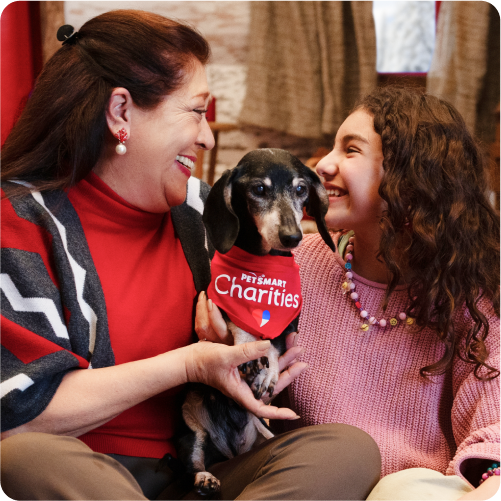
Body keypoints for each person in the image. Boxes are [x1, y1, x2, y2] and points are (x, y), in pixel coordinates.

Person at [0, 10, 381, 501]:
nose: (207, 137)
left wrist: (247, 358)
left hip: (203, 471)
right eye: (197, 111)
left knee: (345, 450)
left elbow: (290, 265)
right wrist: (190, 363)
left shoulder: (207, 211)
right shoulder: (23, 220)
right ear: (121, 112)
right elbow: (21, 407)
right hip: (88, 472)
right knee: (25, 457)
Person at [287, 86, 501, 501]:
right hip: (309, 482)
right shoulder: (291, 264)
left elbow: (494, 419)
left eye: (350, 150)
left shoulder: (468, 292)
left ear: (411, 176)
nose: (323, 165)